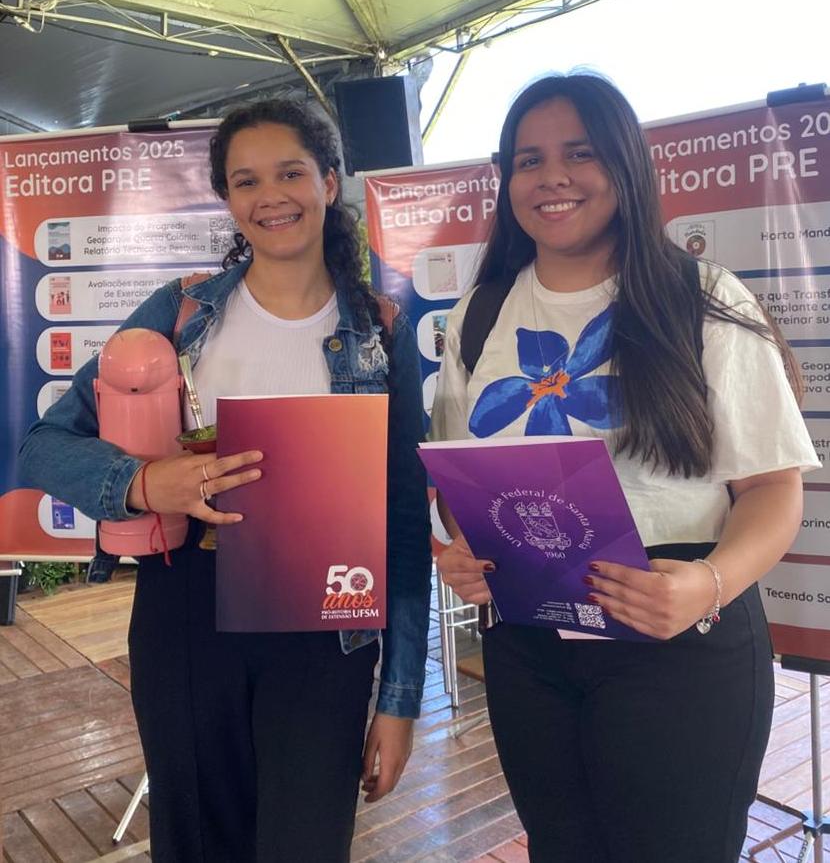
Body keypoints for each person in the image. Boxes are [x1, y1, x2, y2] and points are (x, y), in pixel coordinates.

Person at [18, 97, 432, 863]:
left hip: (326, 629)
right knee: (197, 844)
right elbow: (41, 445)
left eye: (290, 172)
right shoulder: (180, 312)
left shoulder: (380, 330)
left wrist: (400, 700)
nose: (269, 196)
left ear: (329, 181)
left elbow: (403, 521)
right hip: (187, 614)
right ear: (228, 199)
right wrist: (146, 482)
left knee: (304, 846)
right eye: (245, 180)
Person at [429, 73, 817, 863]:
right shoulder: (479, 315)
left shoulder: (704, 301)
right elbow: (455, 477)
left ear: (627, 166)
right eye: (528, 159)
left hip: (679, 629)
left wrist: (705, 585)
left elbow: (774, 490)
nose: (553, 177)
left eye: (580, 152)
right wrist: (462, 549)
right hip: (531, 640)